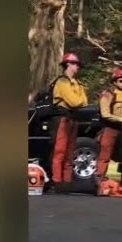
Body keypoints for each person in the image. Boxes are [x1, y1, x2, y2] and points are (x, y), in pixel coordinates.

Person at [48, 52, 88, 187]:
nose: (77, 67)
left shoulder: (78, 83)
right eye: (75, 64)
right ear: (68, 65)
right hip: (61, 119)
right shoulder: (62, 82)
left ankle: (67, 181)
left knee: (70, 152)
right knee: (59, 151)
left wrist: (79, 100)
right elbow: (74, 101)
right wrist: (79, 100)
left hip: (73, 119)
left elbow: (84, 101)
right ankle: (57, 181)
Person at [96, 67, 122, 185]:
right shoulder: (107, 95)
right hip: (110, 127)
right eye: (121, 81)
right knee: (105, 153)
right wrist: (121, 119)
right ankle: (99, 179)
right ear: (114, 82)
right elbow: (105, 114)